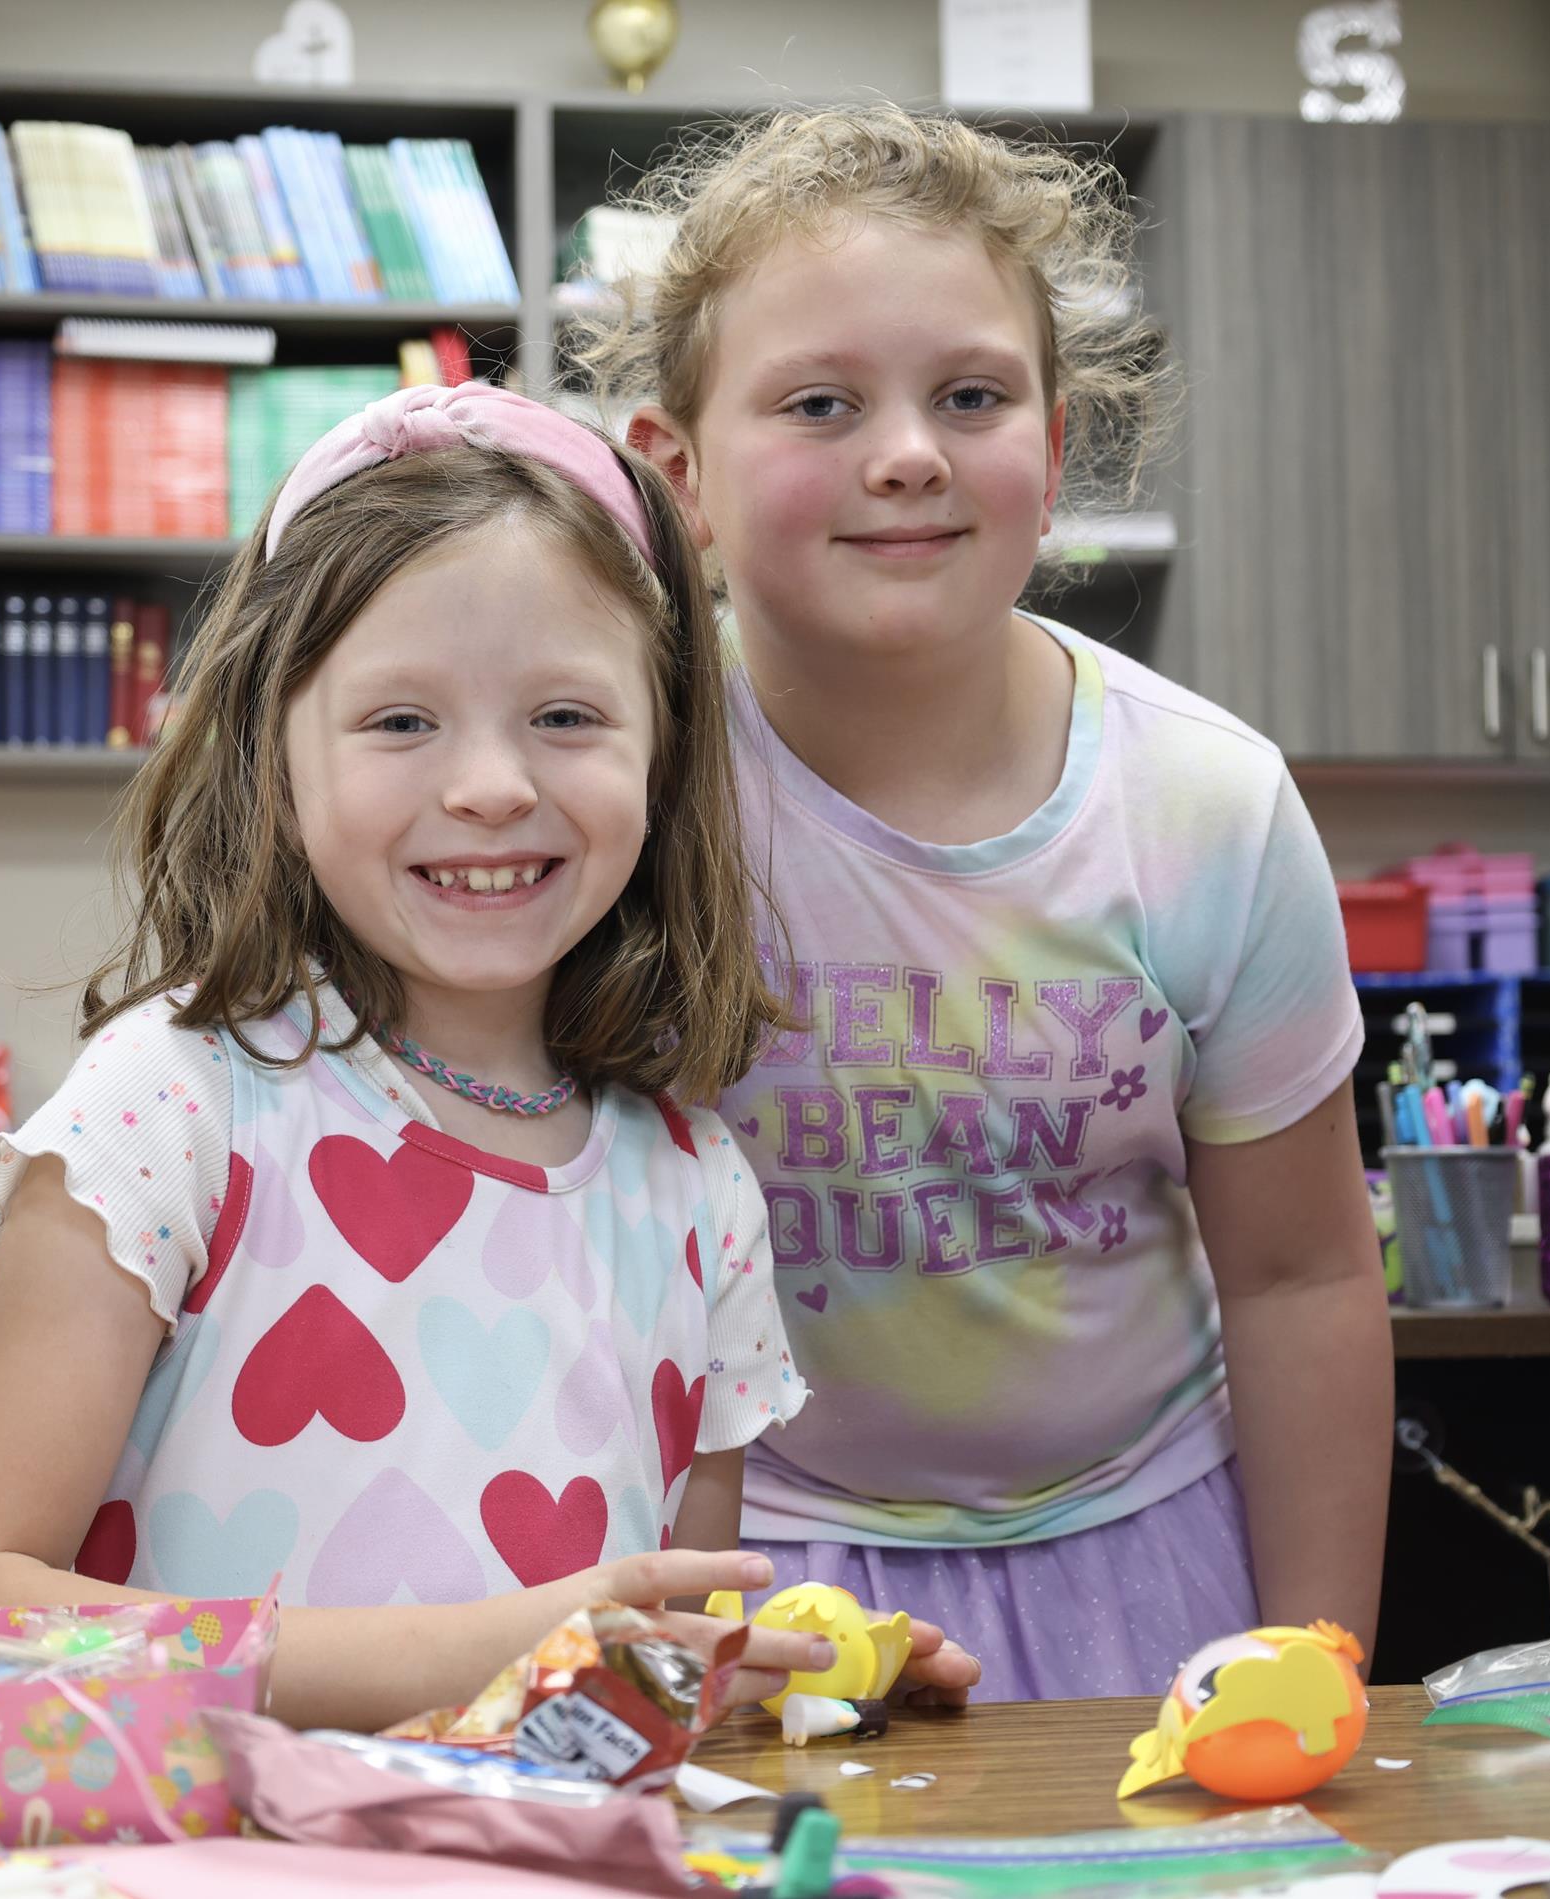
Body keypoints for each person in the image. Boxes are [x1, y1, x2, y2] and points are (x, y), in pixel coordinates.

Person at [585, 103, 1393, 1700]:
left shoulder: (1205, 809)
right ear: (676, 471)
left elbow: (1301, 1279)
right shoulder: (624, 795)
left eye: (971, 396)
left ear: (1058, 445)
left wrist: (1319, 1664)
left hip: (1149, 1564)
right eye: (822, 402)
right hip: (741, 1584)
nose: (907, 452)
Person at [0, 382, 833, 1733]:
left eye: (567, 718)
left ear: (664, 750)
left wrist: (794, 1681)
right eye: (401, 721)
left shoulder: (700, 1194)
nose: (489, 788)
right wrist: (480, 1649)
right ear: (269, 754)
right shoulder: (171, 1109)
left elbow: (643, 1671)